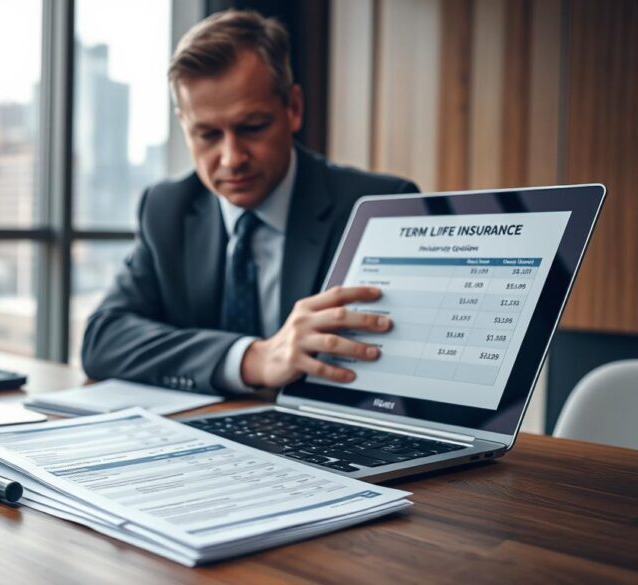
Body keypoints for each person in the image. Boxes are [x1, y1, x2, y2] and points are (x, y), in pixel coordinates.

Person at [81, 9, 418, 395]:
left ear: (293, 108)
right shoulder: (167, 207)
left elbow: (402, 376)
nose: (231, 158)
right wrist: (252, 358)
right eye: (207, 134)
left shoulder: (381, 207)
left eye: (252, 127)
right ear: (184, 126)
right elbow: (103, 339)